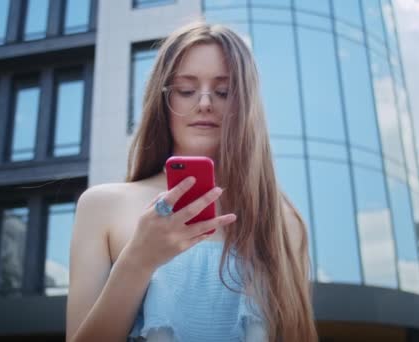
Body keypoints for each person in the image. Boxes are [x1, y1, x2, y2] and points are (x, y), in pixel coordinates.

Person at [66, 19, 318, 342]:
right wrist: (138, 261)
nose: (204, 103)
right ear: (163, 101)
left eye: (224, 91)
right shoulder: (102, 207)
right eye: (186, 90)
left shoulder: (281, 220)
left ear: (246, 106)